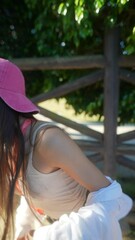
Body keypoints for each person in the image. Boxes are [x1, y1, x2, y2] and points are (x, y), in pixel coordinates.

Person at [0, 58, 133, 240]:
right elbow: (31, 192)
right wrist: (23, 230)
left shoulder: (48, 141)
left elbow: (111, 197)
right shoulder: (8, 143)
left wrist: (39, 236)